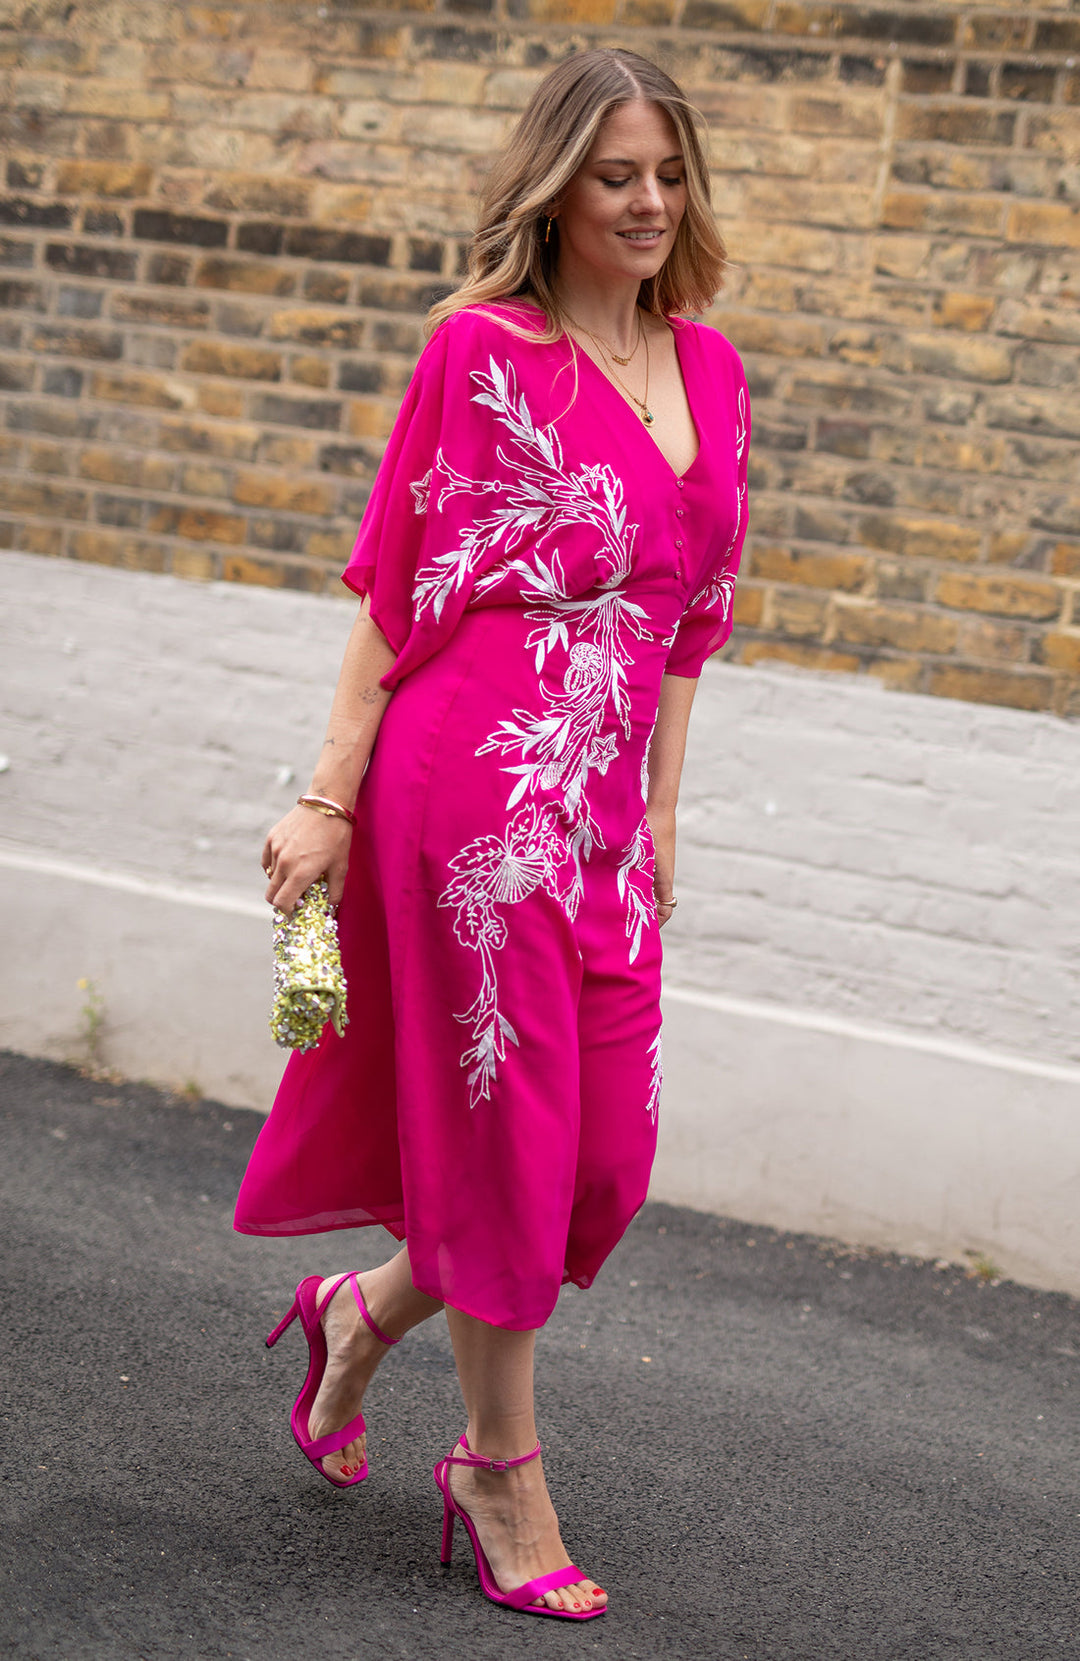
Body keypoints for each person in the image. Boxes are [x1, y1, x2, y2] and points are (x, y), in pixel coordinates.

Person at [235, 45, 749, 1622]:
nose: (648, 202)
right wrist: (327, 793)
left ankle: (361, 1312)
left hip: (603, 818)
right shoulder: (483, 352)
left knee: (599, 1166)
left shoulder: (713, 372)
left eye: (669, 174)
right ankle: (499, 1468)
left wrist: (663, 813)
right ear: (557, 189)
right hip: (472, 798)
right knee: (509, 1145)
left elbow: (693, 620)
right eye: (616, 175)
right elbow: (395, 585)